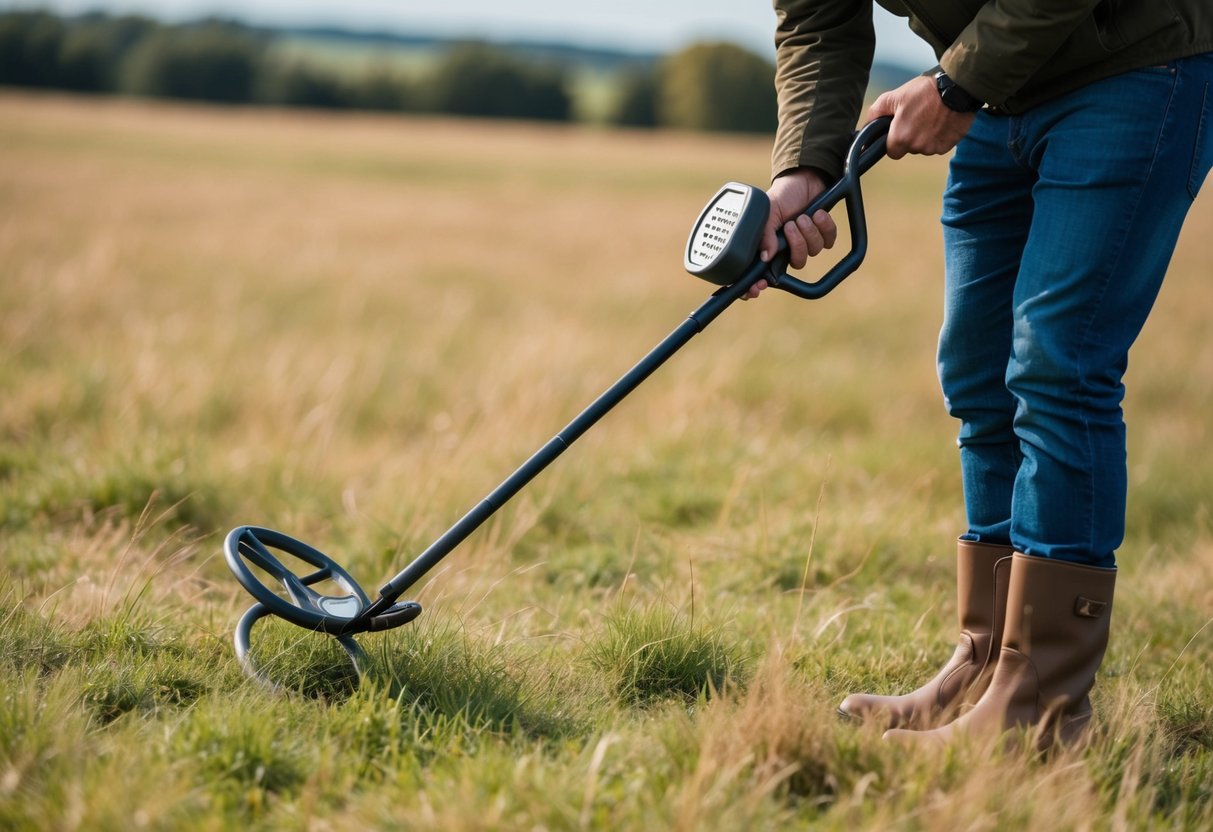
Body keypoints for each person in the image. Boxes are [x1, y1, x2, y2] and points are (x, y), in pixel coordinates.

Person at [754, 0, 1212, 749]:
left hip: (1130, 65)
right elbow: (816, 16)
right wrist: (803, 169)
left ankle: (1040, 705)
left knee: (1057, 364)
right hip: (998, 89)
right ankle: (988, 661)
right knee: (978, 371)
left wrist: (955, 84)